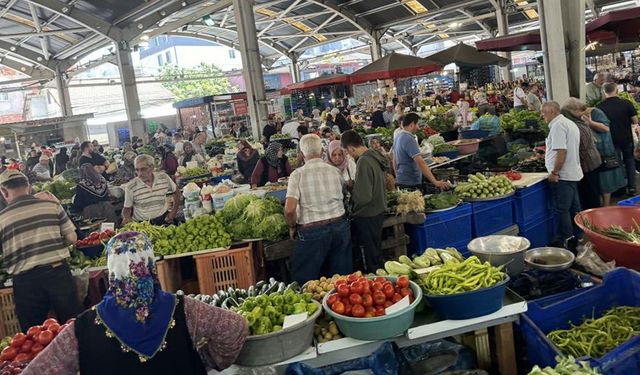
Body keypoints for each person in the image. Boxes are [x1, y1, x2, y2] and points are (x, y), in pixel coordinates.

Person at [22, 231, 247, 375]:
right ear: (150, 264)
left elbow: (38, 371)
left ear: (111, 270)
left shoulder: (83, 328)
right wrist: (204, 361)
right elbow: (235, 327)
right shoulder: (184, 309)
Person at [0, 170, 80, 332]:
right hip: (58, 274)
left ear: (4, 191)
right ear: (28, 187)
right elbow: (72, 238)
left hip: (25, 281)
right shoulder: (51, 205)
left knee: (33, 334)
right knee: (72, 326)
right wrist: (56, 244)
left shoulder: (2, 219)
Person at [285, 135, 351, 284]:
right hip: (339, 227)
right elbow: (344, 195)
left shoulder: (297, 175)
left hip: (311, 232)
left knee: (306, 283)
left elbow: (289, 210)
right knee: (340, 282)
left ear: (302, 154)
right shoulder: (335, 171)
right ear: (322, 150)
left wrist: (291, 226)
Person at [341, 131, 389, 272]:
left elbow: (364, 197)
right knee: (376, 252)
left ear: (351, 148)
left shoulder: (363, 161)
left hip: (367, 214)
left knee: (370, 257)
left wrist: (352, 199)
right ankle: (380, 279)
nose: (349, 155)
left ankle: (376, 281)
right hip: (378, 211)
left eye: (347, 152)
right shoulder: (375, 156)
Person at [565, 99, 626, 206]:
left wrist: (590, 123)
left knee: (606, 180)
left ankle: (606, 207)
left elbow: (606, 128)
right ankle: (601, 206)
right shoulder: (578, 118)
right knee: (598, 182)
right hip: (594, 152)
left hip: (604, 150)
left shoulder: (596, 112)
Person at [542, 102, 583, 246]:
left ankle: (565, 239)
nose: (543, 116)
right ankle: (578, 236)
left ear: (552, 111)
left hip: (563, 175)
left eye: (544, 113)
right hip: (573, 172)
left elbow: (562, 151)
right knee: (574, 207)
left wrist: (554, 172)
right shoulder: (569, 123)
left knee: (563, 209)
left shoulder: (557, 126)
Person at [597, 82, 639, 194]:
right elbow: (635, 121)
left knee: (616, 163)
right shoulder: (627, 103)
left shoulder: (599, 107)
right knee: (630, 161)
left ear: (604, 92)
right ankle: (632, 187)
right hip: (627, 138)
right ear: (617, 90)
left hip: (610, 141)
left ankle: (619, 188)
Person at [561, 100, 602, 210]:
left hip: (586, 163)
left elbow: (576, 147)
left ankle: (591, 220)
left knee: (588, 195)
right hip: (593, 160)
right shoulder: (580, 123)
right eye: (581, 110)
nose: (583, 112)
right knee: (593, 193)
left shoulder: (574, 125)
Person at [393, 113, 450, 192]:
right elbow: (421, 163)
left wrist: (397, 176)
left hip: (401, 181)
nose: (418, 128)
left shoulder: (398, 137)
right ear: (412, 124)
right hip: (411, 183)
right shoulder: (409, 139)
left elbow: (394, 160)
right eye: (417, 124)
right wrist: (435, 182)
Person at [122, 155, 181, 226]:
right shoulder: (131, 186)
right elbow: (127, 209)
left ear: (152, 168)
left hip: (163, 220)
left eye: (143, 169)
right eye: (137, 170)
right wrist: (126, 219)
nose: (139, 174)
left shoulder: (163, 177)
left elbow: (177, 192)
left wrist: (173, 213)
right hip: (143, 224)